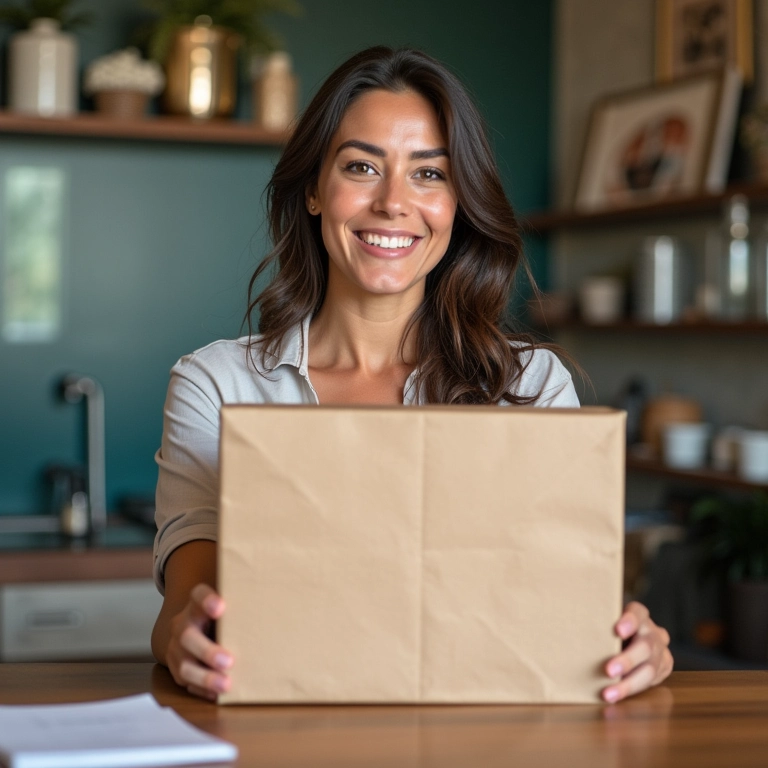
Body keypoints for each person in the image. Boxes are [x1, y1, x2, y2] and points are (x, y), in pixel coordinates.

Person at [151, 46, 673, 703]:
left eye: (429, 174)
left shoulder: (534, 386)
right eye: (363, 166)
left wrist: (630, 643)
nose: (395, 202)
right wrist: (182, 638)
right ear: (314, 189)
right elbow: (184, 604)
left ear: (458, 204)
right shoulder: (217, 382)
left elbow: (573, 608)